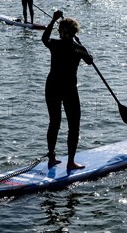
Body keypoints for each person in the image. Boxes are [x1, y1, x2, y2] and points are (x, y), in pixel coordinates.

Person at [42, 10, 93, 170]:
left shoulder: (55, 45)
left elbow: (44, 39)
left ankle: (52, 158)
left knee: (54, 123)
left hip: (52, 87)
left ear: (63, 32)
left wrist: (52, 20)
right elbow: (90, 61)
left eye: (59, 30)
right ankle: (70, 162)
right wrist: (80, 45)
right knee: (73, 125)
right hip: (68, 89)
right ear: (74, 32)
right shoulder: (77, 48)